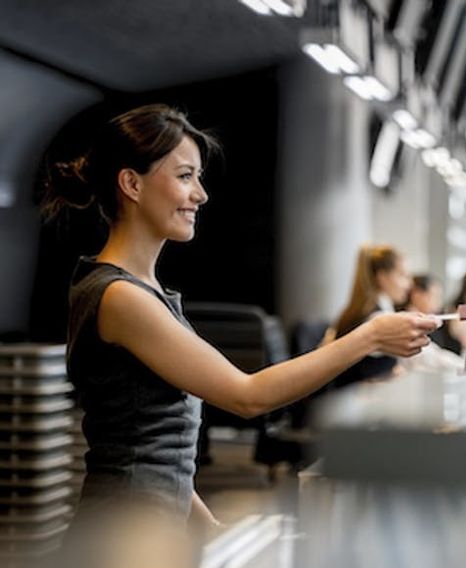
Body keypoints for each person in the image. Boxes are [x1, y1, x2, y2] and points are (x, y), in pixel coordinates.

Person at [42, 104, 439, 528]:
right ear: (131, 183)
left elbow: (160, 456)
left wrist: (210, 530)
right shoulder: (121, 297)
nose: (201, 194)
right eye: (185, 176)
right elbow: (248, 396)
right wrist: (370, 336)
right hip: (123, 536)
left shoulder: (144, 291)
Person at [331, 244, 417, 388]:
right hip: (350, 398)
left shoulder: (365, 309)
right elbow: (421, 356)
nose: (409, 284)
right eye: (403, 275)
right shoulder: (377, 318)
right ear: (382, 277)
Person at [400, 274, 464, 372]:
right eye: (434, 296)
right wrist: (463, 364)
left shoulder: (435, 320)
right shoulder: (406, 322)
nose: (438, 302)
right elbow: (431, 357)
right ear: (417, 295)